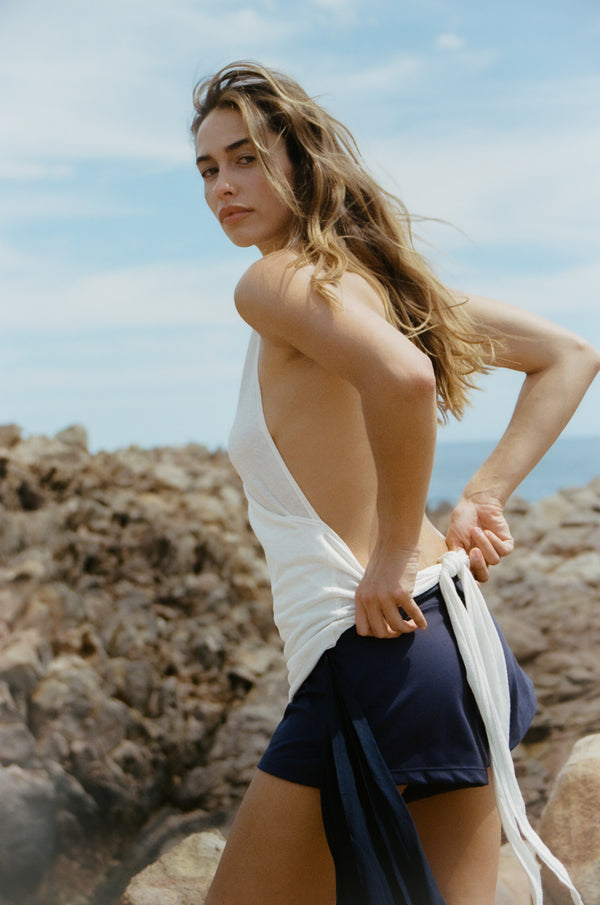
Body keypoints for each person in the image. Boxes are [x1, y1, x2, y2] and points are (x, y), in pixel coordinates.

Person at [191, 61, 599, 905]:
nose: (223, 186)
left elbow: (406, 381)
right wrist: (485, 492)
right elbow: (571, 354)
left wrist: (384, 557)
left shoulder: (271, 281)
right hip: (457, 648)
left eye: (245, 158)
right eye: (207, 168)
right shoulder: (384, 289)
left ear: (299, 163)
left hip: (378, 653)